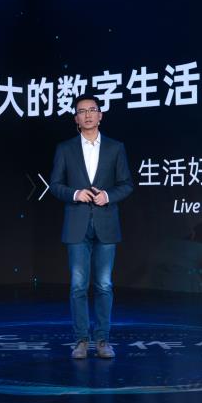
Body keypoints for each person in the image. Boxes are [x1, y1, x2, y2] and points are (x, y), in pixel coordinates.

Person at [49, 93, 133, 359]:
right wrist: (75, 193)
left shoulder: (115, 147)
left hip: (106, 223)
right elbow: (55, 185)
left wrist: (107, 195)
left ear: (100, 115)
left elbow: (126, 184)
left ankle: (103, 340)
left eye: (92, 110)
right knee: (78, 286)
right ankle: (81, 341)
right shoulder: (65, 148)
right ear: (76, 118)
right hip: (76, 224)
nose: (87, 115)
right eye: (82, 111)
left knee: (104, 285)